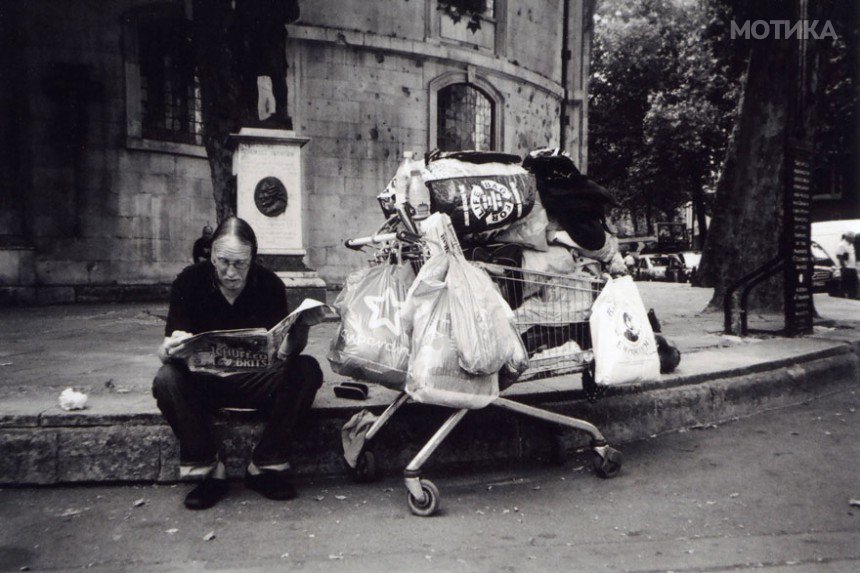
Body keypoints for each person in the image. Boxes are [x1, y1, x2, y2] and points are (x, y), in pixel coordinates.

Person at [153, 217, 323, 510]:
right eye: (223, 262)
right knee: (166, 379)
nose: (231, 272)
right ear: (212, 257)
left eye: (240, 264)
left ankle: (266, 465)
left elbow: (284, 355)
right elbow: (166, 350)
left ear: (253, 259)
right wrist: (170, 348)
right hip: (204, 383)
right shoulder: (189, 281)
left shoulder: (269, 284)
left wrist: (301, 329)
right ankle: (209, 471)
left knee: (307, 370)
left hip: (255, 381)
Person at [834, 231, 858, 299]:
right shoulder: (842, 245)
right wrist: (844, 267)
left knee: (854, 283)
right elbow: (839, 256)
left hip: (852, 267)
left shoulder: (850, 245)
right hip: (846, 268)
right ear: (848, 238)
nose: (854, 239)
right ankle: (842, 297)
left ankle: (852, 297)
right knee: (845, 284)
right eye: (853, 238)